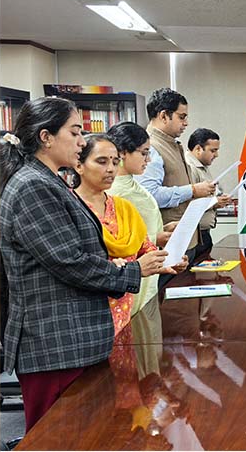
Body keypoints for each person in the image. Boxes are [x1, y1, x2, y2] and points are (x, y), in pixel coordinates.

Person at [0, 97, 173, 430]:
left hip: (74, 341)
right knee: (59, 437)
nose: (82, 141)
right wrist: (134, 271)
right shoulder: (32, 186)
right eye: (75, 132)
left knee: (87, 435)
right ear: (46, 137)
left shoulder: (49, 181)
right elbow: (70, 262)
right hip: (54, 343)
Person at [72, 134, 187, 336]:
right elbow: (75, 263)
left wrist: (168, 261)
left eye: (115, 162)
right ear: (79, 165)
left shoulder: (123, 207)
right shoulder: (70, 209)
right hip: (87, 313)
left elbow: (146, 249)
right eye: (101, 161)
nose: (110, 169)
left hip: (126, 308)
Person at [139, 87, 216, 265]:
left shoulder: (172, 144)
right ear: (164, 115)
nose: (186, 123)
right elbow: (150, 195)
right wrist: (193, 191)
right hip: (167, 240)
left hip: (183, 237)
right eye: (182, 117)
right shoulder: (151, 146)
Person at [185, 128, 234, 256]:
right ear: (198, 149)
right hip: (195, 235)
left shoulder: (202, 167)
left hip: (203, 233)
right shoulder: (189, 167)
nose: (216, 155)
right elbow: (188, 202)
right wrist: (215, 202)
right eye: (213, 151)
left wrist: (218, 201)